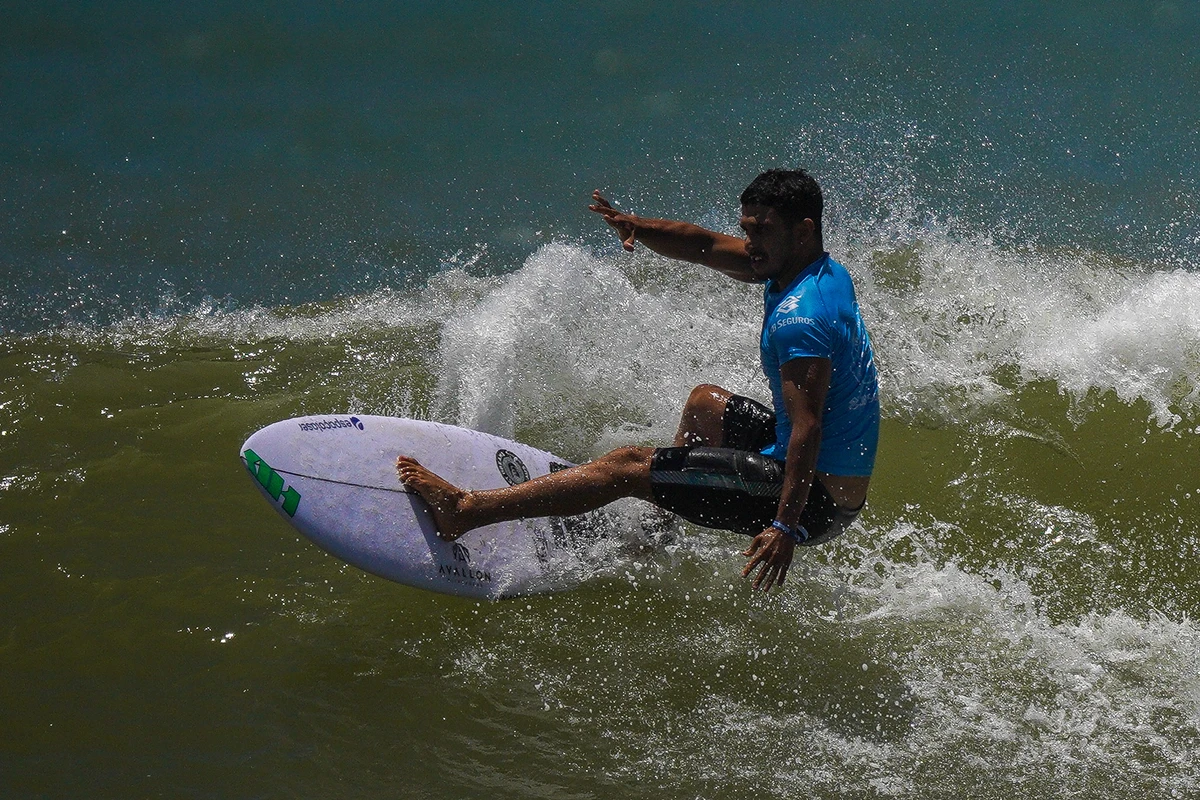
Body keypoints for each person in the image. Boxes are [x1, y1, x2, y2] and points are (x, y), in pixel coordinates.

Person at [397, 169, 879, 591]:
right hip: (823, 474)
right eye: (746, 229)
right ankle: (655, 538)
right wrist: (638, 227)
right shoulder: (810, 268)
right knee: (705, 404)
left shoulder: (803, 317)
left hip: (815, 500)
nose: (749, 245)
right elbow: (704, 245)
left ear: (803, 230)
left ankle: (465, 511)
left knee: (627, 465)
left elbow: (807, 428)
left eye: (762, 232)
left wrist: (784, 528)